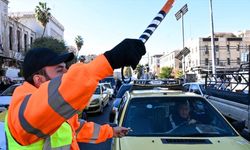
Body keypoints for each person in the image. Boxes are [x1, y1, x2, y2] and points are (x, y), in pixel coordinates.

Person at [5, 38, 146, 149]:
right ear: (39, 80)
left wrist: (110, 132)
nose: (66, 73)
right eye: (60, 70)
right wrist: (109, 61)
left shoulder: (52, 111)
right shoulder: (21, 109)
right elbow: (63, 91)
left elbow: (76, 129)